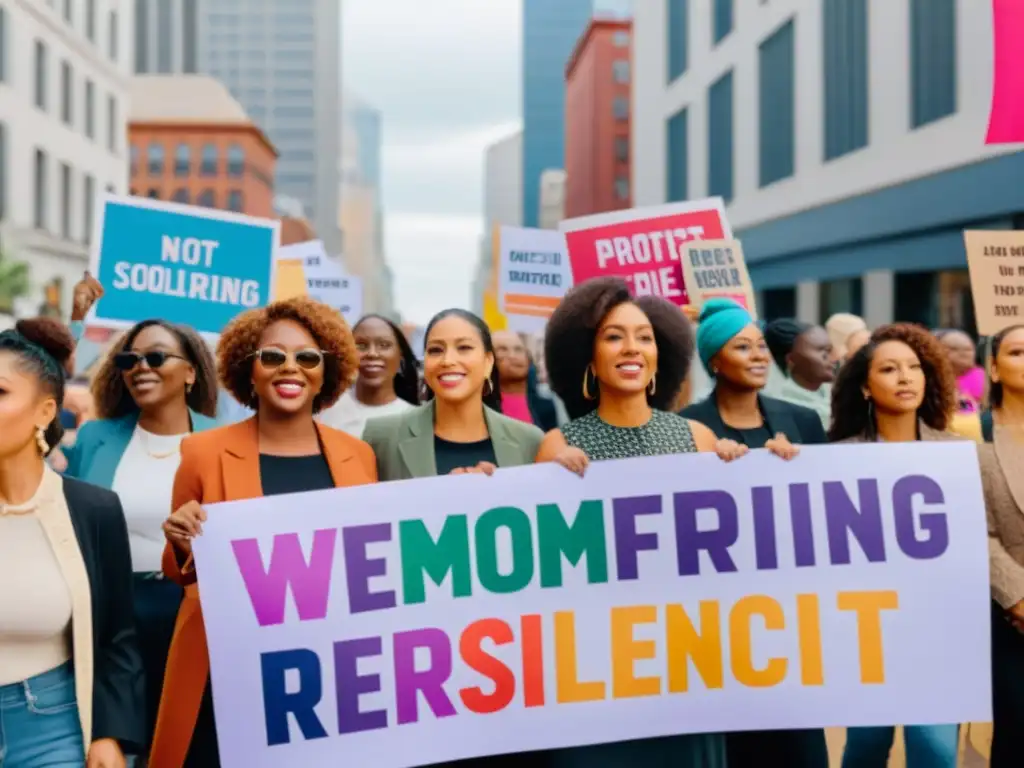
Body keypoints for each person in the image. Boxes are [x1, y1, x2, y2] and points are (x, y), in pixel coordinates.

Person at [535, 278, 798, 768]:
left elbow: (743, 545)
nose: (632, 347)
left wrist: (773, 465)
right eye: (614, 336)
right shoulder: (558, 446)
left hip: (684, 668)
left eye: (645, 336)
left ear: (661, 355)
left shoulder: (699, 437)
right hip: (599, 672)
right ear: (588, 357)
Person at [151, 297, 377, 768]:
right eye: (272, 356)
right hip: (228, 674)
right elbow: (180, 573)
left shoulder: (359, 456)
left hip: (328, 675)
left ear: (325, 372)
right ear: (247, 370)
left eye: (307, 357)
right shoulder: (203, 452)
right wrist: (180, 539)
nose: (289, 368)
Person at [60, 319, 218, 755]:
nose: (140, 368)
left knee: (185, 746)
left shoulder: (223, 443)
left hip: (192, 614)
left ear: (191, 372)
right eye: (130, 359)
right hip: (108, 616)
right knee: (112, 745)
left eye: (156, 357)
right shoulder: (96, 437)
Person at [0, 318, 143, 767]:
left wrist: (108, 734)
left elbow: (118, 636)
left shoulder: (93, 510)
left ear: (45, 412)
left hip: (52, 727)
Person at [829, 323, 961, 768]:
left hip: (940, 631)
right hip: (867, 635)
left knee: (936, 755)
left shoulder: (959, 454)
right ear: (866, 387)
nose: (905, 377)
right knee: (863, 753)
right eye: (889, 369)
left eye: (914, 367)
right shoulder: (835, 460)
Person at [364, 309, 543, 482]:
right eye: (435, 350)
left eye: (464, 347)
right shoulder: (382, 437)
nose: (448, 360)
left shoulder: (530, 441)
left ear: (488, 362)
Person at [682, 298, 828, 455]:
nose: (759, 356)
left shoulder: (804, 420)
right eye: (743, 347)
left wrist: (792, 464)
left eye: (762, 346)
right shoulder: (685, 428)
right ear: (714, 361)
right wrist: (711, 461)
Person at [976, 324, 1024, 766]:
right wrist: (1017, 596)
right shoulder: (971, 432)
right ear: (993, 367)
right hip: (1006, 614)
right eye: (1017, 352)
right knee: (1015, 732)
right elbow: (975, 527)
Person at [318, 313, 419, 437]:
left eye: (384, 345)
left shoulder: (416, 421)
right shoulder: (324, 413)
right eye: (361, 345)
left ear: (400, 356)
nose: (372, 353)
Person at [764, 319, 835, 430]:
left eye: (830, 350)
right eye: (823, 351)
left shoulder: (838, 395)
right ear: (791, 359)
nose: (833, 358)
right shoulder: (778, 405)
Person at [492, 329, 559, 431]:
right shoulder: (479, 408)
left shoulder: (547, 406)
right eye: (502, 350)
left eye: (518, 349)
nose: (513, 356)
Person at [936, 329, 985, 414]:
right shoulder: (932, 378)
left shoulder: (985, 378)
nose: (966, 353)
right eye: (955, 349)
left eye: (969, 349)